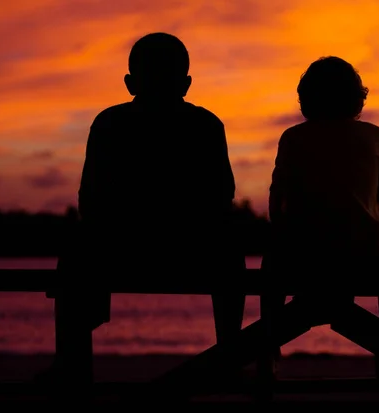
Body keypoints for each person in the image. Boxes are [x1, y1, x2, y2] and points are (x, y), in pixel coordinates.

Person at [55, 32, 245, 374]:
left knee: (76, 245)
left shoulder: (109, 123)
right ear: (186, 84)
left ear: (130, 82)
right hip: (195, 252)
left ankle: (71, 362)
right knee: (230, 241)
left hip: (120, 251)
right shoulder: (206, 125)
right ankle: (229, 348)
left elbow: (90, 199)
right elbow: (222, 196)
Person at [260, 56, 379, 382]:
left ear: (306, 99)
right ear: (357, 98)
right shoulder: (374, 136)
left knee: (273, 251)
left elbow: (277, 207)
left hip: (303, 261)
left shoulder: (292, 138)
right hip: (365, 260)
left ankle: (267, 348)